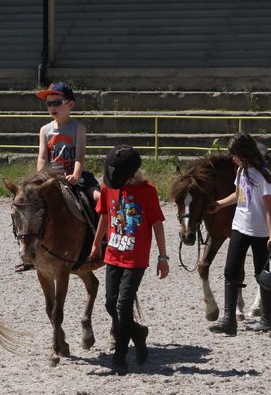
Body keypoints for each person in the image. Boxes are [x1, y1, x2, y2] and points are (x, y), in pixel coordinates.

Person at [89, 145, 169, 375]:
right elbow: (105, 215)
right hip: (113, 253)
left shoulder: (147, 191)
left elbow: (157, 224)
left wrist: (163, 257)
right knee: (109, 304)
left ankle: (120, 355)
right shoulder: (108, 189)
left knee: (123, 305)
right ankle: (138, 332)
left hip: (136, 258)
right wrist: (96, 243)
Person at [16, 81, 100, 273]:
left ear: (70, 105)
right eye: (49, 104)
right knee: (26, 206)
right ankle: (29, 252)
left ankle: (101, 240)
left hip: (76, 176)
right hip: (51, 178)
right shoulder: (45, 130)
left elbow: (80, 156)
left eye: (57, 103)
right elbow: (42, 157)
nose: (52, 107)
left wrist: (76, 175)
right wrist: (40, 178)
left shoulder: (77, 128)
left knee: (99, 198)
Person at [206, 133, 271, 335]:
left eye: (234, 154)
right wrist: (220, 204)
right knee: (230, 271)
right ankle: (229, 320)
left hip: (260, 231)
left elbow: (270, 209)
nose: (232, 158)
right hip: (239, 227)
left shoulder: (265, 176)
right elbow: (239, 195)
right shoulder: (241, 172)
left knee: (262, 275)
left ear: (243, 154)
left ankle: (268, 319)